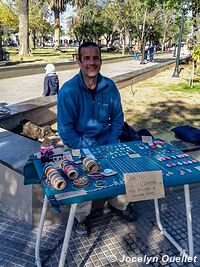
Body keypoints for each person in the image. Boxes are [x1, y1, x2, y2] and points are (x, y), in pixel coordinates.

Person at [57, 41, 137, 236]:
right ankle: (81, 218)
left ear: (100, 61)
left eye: (96, 58)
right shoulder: (68, 91)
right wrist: (86, 151)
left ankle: (120, 204)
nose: (91, 63)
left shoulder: (109, 86)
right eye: (87, 58)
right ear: (79, 61)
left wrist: (111, 142)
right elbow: (65, 130)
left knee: (118, 173)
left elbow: (117, 119)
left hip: (106, 142)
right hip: (79, 144)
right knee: (82, 181)